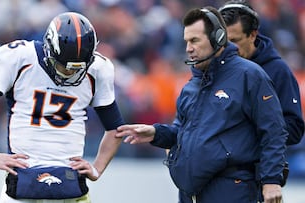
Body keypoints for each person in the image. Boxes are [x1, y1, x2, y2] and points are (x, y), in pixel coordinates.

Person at [115, 6, 287, 203]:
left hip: (232, 189)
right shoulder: (191, 86)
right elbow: (181, 133)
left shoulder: (250, 75)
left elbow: (273, 131)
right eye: (187, 41)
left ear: (218, 38)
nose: (188, 48)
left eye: (195, 40)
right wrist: (156, 133)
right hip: (191, 193)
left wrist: (271, 181)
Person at [0, 12, 124, 203]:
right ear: (49, 49)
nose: (70, 73)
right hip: (22, 178)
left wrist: (98, 167)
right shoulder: (20, 57)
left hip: (70, 182)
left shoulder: (98, 68)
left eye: (78, 68)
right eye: (65, 67)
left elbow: (115, 128)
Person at [219, 0, 304, 146]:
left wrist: (248, 132)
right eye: (224, 42)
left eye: (235, 41)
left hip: (260, 165)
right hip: (219, 165)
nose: (229, 48)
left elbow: (294, 129)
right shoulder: (214, 69)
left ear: (252, 35)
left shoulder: (277, 70)